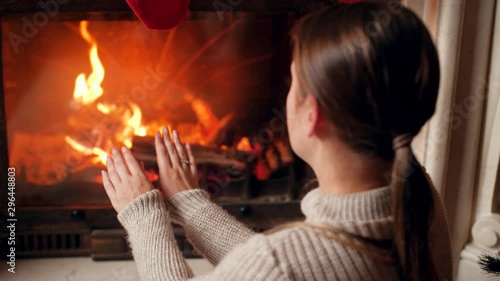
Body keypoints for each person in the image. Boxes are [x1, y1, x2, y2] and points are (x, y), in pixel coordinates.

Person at [102, 2, 453, 280]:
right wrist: (191, 205)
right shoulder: (419, 197)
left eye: (293, 83)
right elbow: (296, 264)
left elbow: (285, 266)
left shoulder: (284, 263)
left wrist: (142, 214)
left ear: (313, 114)